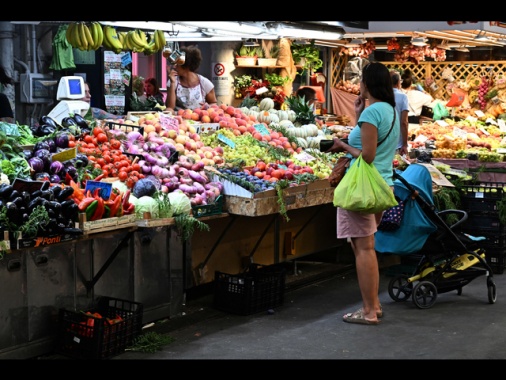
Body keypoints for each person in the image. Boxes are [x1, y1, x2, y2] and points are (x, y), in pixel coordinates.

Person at [329, 61, 399, 325]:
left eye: (361, 81)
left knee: (363, 248)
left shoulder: (373, 113)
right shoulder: (388, 110)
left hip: (363, 187)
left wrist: (341, 145)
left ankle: (368, 311)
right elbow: (376, 147)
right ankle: (375, 305)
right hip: (381, 184)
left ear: (368, 84)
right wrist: (359, 115)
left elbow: (366, 156)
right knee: (367, 246)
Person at [166, 45, 217, 110]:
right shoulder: (173, 81)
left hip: (198, 118)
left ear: (186, 66)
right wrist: (172, 84)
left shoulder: (205, 83)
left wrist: (207, 106)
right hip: (179, 118)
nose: (175, 66)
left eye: (178, 64)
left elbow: (213, 103)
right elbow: (170, 108)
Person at [390, 70, 409, 156]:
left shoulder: (380, 96)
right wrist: (405, 144)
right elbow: (404, 122)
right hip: (397, 143)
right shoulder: (403, 97)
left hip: (383, 142)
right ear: (398, 82)